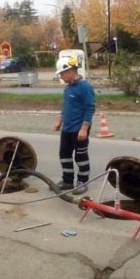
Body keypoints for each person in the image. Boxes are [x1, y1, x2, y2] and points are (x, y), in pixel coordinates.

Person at [53, 56, 96, 195]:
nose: (61, 76)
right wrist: (60, 120)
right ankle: (67, 181)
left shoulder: (85, 87)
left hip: (79, 129)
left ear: (70, 72)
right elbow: (66, 107)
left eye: (61, 74)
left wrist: (84, 128)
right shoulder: (68, 89)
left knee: (80, 157)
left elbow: (90, 108)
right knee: (64, 155)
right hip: (67, 129)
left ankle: (83, 182)